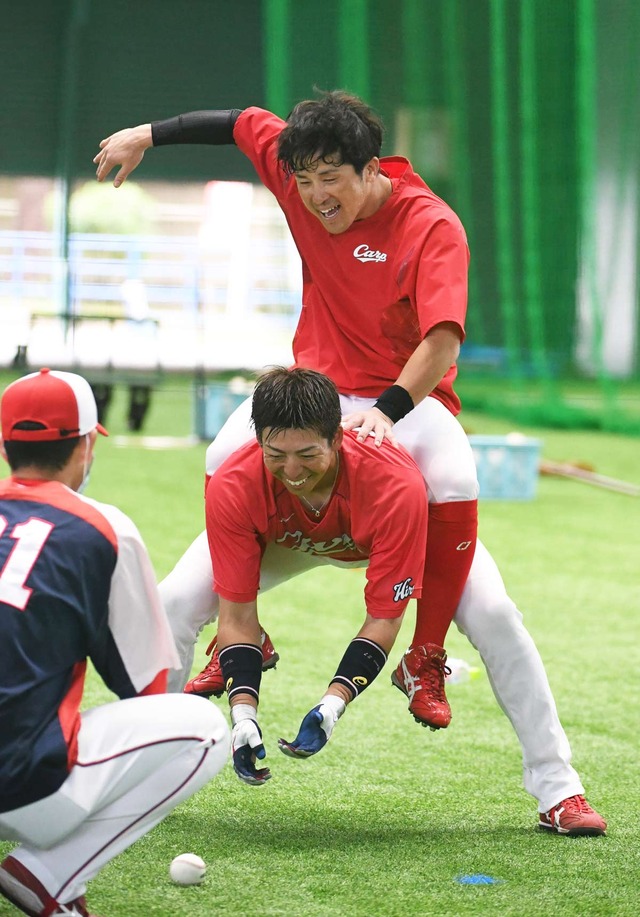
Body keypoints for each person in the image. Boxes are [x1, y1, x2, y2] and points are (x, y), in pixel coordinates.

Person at [94, 92, 606, 835]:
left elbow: (442, 343)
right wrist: (146, 132)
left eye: (332, 178)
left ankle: (525, 755)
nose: (316, 195)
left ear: (372, 169)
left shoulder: (430, 224)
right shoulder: (297, 169)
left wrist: (386, 414)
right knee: (178, 589)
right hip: (315, 400)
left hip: (405, 400)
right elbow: (241, 123)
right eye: (303, 180)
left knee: (490, 596)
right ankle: (133, 774)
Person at [0, 368, 230, 917]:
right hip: (22, 786)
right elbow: (144, 688)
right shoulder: (103, 527)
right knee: (204, 730)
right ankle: (47, 874)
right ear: (84, 446)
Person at [206, 366, 430, 785]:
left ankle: (555, 786)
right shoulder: (234, 484)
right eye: (276, 455)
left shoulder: (396, 485)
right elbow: (235, 617)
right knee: (176, 602)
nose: (292, 470)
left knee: (495, 616)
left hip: (388, 532)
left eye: (308, 455)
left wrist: (333, 704)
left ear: (339, 437)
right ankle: (158, 777)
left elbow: (385, 616)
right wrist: (242, 715)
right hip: (286, 543)